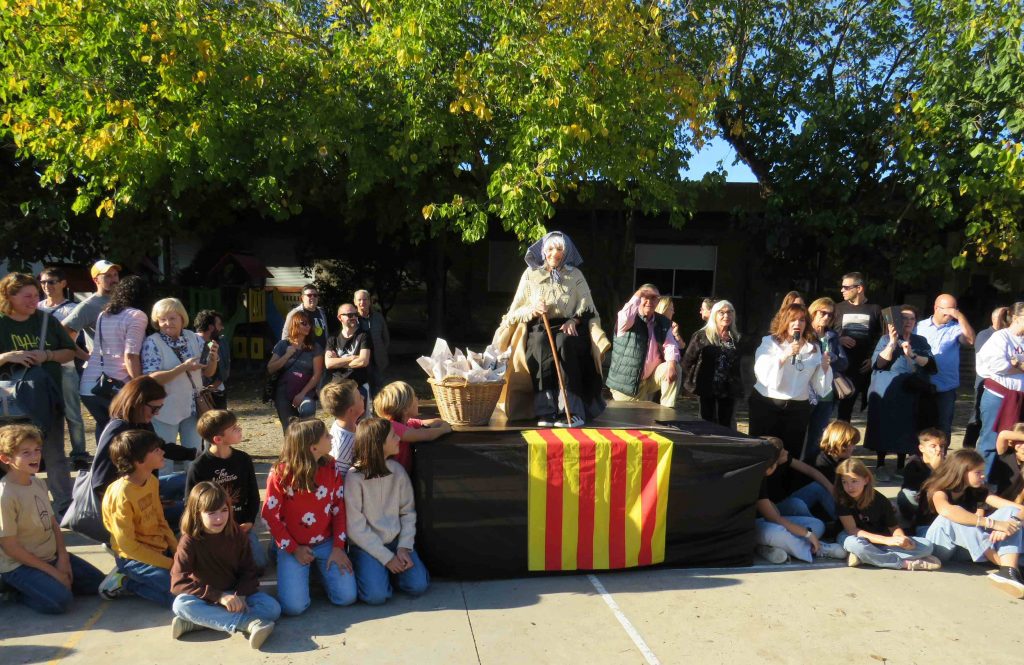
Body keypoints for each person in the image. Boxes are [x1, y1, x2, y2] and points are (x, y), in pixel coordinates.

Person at [494, 231, 609, 426]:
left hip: (570, 327)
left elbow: (588, 308)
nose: (554, 253)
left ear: (566, 252)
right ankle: (545, 410)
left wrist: (574, 320)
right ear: (543, 252)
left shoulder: (575, 275)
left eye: (559, 249)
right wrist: (533, 309)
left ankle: (571, 410)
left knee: (565, 342)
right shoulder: (530, 275)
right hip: (540, 326)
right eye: (550, 249)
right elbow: (514, 310)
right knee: (540, 344)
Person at [0, 424, 106, 614]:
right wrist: (54, 572)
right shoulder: (5, 495)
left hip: (50, 556)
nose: (35, 456)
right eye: (26, 453)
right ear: (6, 458)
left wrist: (63, 559)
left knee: (98, 583)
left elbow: (53, 524)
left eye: (37, 450)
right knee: (60, 602)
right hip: (20, 565)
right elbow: (11, 548)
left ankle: (48, 585)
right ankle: (15, 591)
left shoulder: (38, 483)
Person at [261, 418, 356, 616]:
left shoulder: (331, 466)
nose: (331, 437)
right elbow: (269, 516)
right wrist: (293, 549)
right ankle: (278, 552)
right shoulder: (280, 473)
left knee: (346, 597)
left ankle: (315, 570)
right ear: (313, 448)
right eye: (326, 436)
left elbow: (338, 507)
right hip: (293, 545)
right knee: (294, 607)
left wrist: (338, 547)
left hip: (326, 543)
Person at [0, 272, 76, 516]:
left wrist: (47, 355)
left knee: (54, 454)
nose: (34, 300)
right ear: (9, 296)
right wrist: (7, 357)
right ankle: (11, 508)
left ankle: (64, 508)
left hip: (46, 400)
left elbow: (70, 351)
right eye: (27, 296)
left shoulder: (46, 321)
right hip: (9, 405)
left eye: (36, 295)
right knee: (8, 456)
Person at [170, 482, 280, 649]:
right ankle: (247, 623)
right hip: (205, 598)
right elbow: (178, 583)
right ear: (197, 513)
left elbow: (248, 570)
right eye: (211, 513)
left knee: (272, 608)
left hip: (235, 593)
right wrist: (219, 596)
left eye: (224, 510)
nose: (219, 518)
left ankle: (197, 622)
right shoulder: (189, 541)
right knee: (180, 605)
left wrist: (242, 594)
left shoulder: (237, 534)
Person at [345, 418, 430, 605]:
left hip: (396, 543)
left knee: (418, 585)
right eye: (393, 436)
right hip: (367, 547)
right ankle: (379, 571)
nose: (398, 438)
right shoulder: (354, 478)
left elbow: (408, 512)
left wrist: (404, 547)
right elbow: (355, 527)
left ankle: (389, 573)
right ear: (379, 444)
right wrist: (386, 558)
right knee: (376, 596)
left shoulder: (398, 471)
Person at [918, 449, 1024, 597]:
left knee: (1010, 511)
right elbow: (946, 511)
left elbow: (1018, 509)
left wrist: (1014, 522)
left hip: (967, 545)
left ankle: (1009, 569)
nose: (983, 476)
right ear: (961, 472)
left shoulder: (976, 490)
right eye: (978, 472)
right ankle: (1009, 564)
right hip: (936, 545)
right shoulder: (937, 489)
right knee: (954, 517)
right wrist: (993, 524)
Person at [90, 376, 195, 525]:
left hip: (146, 491)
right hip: (130, 506)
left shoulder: (141, 423)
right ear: (138, 403)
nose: (157, 413)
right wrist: (148, 505)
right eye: (155, 408)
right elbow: (100, 482)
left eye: (160, 408)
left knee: (188, 479)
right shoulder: (118, 430)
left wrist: (196, 454)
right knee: (197, 510)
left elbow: (161, 447)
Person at [98, 429, 178, 607]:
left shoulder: (151, 481)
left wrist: (178, 551)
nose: (162, 452)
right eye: (156, 450)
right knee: (178, 597)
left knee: (197, 579)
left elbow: (160, 520)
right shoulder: (121, 494)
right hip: (133, 559)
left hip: (158, 548)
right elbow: (128, 546)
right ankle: (126, 581)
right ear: (138, 460)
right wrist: (170, 564)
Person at [749, 303, 833, 461]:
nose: (797, 324)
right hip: (768, 404)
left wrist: (824, 367)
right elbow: (762, 373)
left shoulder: (813, 348)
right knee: (764, 452)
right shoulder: (770, 342)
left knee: (791, 453)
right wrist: (785, 355)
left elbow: (819, 386)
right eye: (793, 319)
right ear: (784, 321)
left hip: (798, 408)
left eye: (802, 320)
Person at [865, 305, 936, 481]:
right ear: (896, 321)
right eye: (904, 318)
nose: (908, 322)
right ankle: (880, 465)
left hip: (910, 390)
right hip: (886, 389)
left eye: (912, 319)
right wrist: (892, 342)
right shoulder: (885, 339)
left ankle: (900, 466)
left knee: (907, 427)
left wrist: (912, 354)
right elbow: (878, 363)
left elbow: (931, 365)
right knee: (883, 426)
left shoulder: (920, 341)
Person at [187, 410, 267, 569]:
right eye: (234, 428)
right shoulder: (198, 467)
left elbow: (253, 495)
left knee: (259, 565)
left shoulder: (243, 459)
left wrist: (249, 521)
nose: (239, 429)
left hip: (240, 527)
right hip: (211, 530)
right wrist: (206, 530)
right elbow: (190, 504)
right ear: (218, 439)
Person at [834, 458, 940, 570]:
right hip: (854, 537)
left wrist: (901, 539)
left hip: (879, 539)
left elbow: (893, 527)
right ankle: (904, 563)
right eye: (844, 482)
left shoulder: (880, 500)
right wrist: (887, 541)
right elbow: (852, 530)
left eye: (854, 481)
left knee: (927, 546)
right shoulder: (842, 500)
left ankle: (865, 557)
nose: (849, 487)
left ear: (866, 480)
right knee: (855, 544)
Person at [141, 298, 218, 451]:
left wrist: (213, 358)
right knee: (164, 455)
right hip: (165, 410)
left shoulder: (194, 338)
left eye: (172, 318)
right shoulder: (152, 342)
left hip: (193, 407)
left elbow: (208, 372)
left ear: (182, 318)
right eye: (162, 319)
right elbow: (152, 378)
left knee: (194, 455)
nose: (167, 323)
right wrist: (183, 368)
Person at [754, 437, 846, 564]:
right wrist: (807, 534)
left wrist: (807, 533)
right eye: (783, 451)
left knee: (818, 524)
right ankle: (818, 548)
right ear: (772, 463)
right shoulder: (756, 477)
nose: (786, 452)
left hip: (771, 518)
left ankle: (768, 548)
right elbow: (774, 518)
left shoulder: (773, 465)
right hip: (755, 525)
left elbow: (810, 471)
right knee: (779, 533)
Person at [79, 275, 149, 441]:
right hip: (116, 386)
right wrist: (139, 386)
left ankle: (101, 458)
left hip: (89, 385)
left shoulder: (104, 314)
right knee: (126, 435)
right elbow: (130, 355)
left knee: (105, 430)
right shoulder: (137, 315)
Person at [37, 267, 88, 470]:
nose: (46, 286)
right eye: (43, 282)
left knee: (72, 413)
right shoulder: (36, 307)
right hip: (41, 368)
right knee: (42, 413)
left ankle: (79, 454)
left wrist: (87, 357)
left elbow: (72, 341)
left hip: (65, 366)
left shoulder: (74, 308)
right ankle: (41, 455)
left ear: (63, 283)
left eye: (51, 281)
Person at [607, 284, 682, 409]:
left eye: (653, 298)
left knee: (675, 367)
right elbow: (625, 315)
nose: (649, 301)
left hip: (649, 379)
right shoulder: (628, 319)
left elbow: (670, 345)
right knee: (634, 418)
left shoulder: (663, 322)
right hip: (626, 384)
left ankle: (667, 412)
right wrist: (639, 293)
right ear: (638, 298)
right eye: (645, 297)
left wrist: (671, 365)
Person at [915, 294, 975, 440]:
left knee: (943, 427)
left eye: (954, 310)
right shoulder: (919, 327)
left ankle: (941, 453)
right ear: (936, 308)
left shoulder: (956, 328)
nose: (951, 314)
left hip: (945, 386)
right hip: (921, 383)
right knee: (919, 425)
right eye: (947, 310)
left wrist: (960, 317)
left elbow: (970, 341)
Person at [974, 301, 1024, 477]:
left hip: (1019, 397)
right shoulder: (1000, 337)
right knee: (990, 440)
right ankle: (982, 481)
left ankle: (1005, 482)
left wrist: (1016, 363)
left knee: (1014, 442)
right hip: (998, 396)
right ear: (1016, 318)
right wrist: (1019, 366)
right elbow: (996, 365)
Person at [681, 299, 743, 427]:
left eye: (730, 312)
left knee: (726, 423)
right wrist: (691, 382)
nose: (726, 316)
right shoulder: (701, 336)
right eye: (722, 312)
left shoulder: (735, 337)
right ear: (714, 314)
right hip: (706, 386)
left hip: (728, 388)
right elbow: (687, 361)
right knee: (707, 422)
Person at [833, 272, 883, 421]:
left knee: (853, 410)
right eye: (842, 287)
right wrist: (839, 339)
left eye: (846, 287)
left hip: (862, 368)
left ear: (859, 288)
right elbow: (825, 333)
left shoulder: (875, 309)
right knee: (835, 409)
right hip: (839, 367)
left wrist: (873, 358)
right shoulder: (837, 308)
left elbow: (883, 337)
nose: (842, 290)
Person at [804, 297, 849, 461]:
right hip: (805, 391)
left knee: (818, 436)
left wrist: (834, 357)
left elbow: (844, 363)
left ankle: (811, 468)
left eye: (830, 315)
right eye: (823, 313)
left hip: (826, 393)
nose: (826, 317)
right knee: (800, 433)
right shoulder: (805, 333)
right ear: (813, 312)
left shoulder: (832, 336)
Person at [373, 381, 451, 474]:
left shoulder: (408, 423)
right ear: (405, 409)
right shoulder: (391, 427)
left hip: (400, 476)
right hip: (389, 479)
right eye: (414, 397)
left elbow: (433, 422)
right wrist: (444, 429)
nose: (417, 399)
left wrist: (442, 422)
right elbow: (426, 435)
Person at [267, 309, 323, 432]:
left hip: (306, 390)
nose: (308, 326)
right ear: (295, 324)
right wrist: (286, 355)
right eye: (304, 323)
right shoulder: (283, 345)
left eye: (309, 323)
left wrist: (302, 393)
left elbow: (317, 375)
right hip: (284, 390)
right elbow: (270, 368)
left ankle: (307, 444)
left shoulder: (315, 347)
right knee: (289, 429)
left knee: (307, 418)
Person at [964, 306, 1011, 448]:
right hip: (985, 383)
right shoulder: (986, 334)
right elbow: (990, 360)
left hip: (1004, 385)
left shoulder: (1010, 336)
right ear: (994, 319)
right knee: (977, 417)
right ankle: (968, 448)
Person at [62, 259, 120, 362]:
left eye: (115, 275)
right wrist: (87, 358)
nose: (114, 279)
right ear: (96, 280)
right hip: (101, 367)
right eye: (108, 276)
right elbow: (62, 333)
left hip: (122, 364)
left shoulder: (123, 300)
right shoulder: (88, 305)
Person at [897, 428, 948, 527]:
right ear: (922, 448)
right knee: (905, 496)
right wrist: (934, 469)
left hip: (940, 498)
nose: (938, 449)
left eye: (941, 446)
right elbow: (916, 487)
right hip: (918, 497)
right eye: (933, 446)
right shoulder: (913, 463)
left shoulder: (948, 463)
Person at [325, 303, 372, 398]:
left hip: (358, 387)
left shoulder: (364, 336)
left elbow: (363, 361)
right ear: (340, 318)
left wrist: (337, 362)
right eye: (350, 315)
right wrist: (352, 358)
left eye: (355, 314)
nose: (354, 317)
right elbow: (329, 364)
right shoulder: (332, 338)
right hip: (337, 387)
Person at [321, 379, 364, 475]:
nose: (363, 397)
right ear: (351, 410)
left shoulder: (348, 425)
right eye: (359, 398)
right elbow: (340, 477)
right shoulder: (341, 448)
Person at [355, 289, 390, 393]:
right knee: (362, 390)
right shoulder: (352, 319)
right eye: (359, 300)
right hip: (360, 361)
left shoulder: (378, 317)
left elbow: (385, 338)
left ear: (369, 301)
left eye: (365, 299)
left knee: (380, 390)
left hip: (378, 361)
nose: (362, 302)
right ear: (355, 302)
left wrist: (381, 351)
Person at [195, 309, 230, 410]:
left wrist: (212, 387)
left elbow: (224, 370)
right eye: (219, 325)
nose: (222, 328)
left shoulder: (217, 342)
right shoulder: (190, 343)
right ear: (211, 327)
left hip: (216, 394)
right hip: (196, 395)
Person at [282, 283, 329, 352]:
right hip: (304, 354)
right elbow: (286, 336)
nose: (312, 297)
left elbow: (326, 334)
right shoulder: (295, 313)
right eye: (309, 295)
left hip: (322, 353)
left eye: (315, 295)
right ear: (302, 298)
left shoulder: (322, 312)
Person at [812, 420, 859, 484]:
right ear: (842, 444)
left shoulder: (838, 459)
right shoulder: (822, 464)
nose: (855, 448)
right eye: (853, 444)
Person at [990, 424, 1024, 501]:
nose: (1023, 446)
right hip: (997, 499)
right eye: (1020, 441)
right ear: (1012, 441)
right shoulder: (1006, 453)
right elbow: (1003, 434)